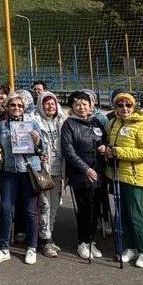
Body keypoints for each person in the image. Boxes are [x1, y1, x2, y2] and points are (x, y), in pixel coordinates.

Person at [99, 92, 143, 268]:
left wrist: (118, 151)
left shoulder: (141, 125)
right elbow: (110, 144)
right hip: (117, 174)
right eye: (120, 105)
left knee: (135, 215)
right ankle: (130, 247)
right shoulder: (112, 123)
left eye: (128, 105)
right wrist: (107, 151)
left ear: (133, 106)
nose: (124, 109)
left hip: (134, 176)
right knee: (122, 213)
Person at [0, 91, 45, 265]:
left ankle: (32, 247)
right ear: (7, 107)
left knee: (30, 210)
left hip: (28, 171)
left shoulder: (32, 123)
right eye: (13, 105)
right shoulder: (1, 125)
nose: (16, 108)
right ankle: (4, 248)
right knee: (5, 208)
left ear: (24, 108)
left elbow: (42, 149)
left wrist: (37, 142)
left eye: (20, 105)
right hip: (8, 171)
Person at [61, 91, 105, 259]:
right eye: (78, 104)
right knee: (85, 209)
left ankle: (92, 240)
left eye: (84, 104)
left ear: (90, 105)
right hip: (81, 173)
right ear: (72, 106)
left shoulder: (96, 122)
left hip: (98, 172)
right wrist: (85, 169)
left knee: (95, 209)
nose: (81, 107)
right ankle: (83, 242)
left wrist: (104, 147)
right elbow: (69, 151)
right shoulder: (69, 124)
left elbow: (103, 140)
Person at [35, 91, 65, 258]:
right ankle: (45, 238)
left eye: (52, 103)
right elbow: (31, 144)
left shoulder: (62, 120)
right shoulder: (35, 121)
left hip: (59, 168)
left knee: (54, 204)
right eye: (46, 103)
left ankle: (49, 235)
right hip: (44, 169)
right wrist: (38, 152)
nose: (50, 106)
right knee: (45, 204)